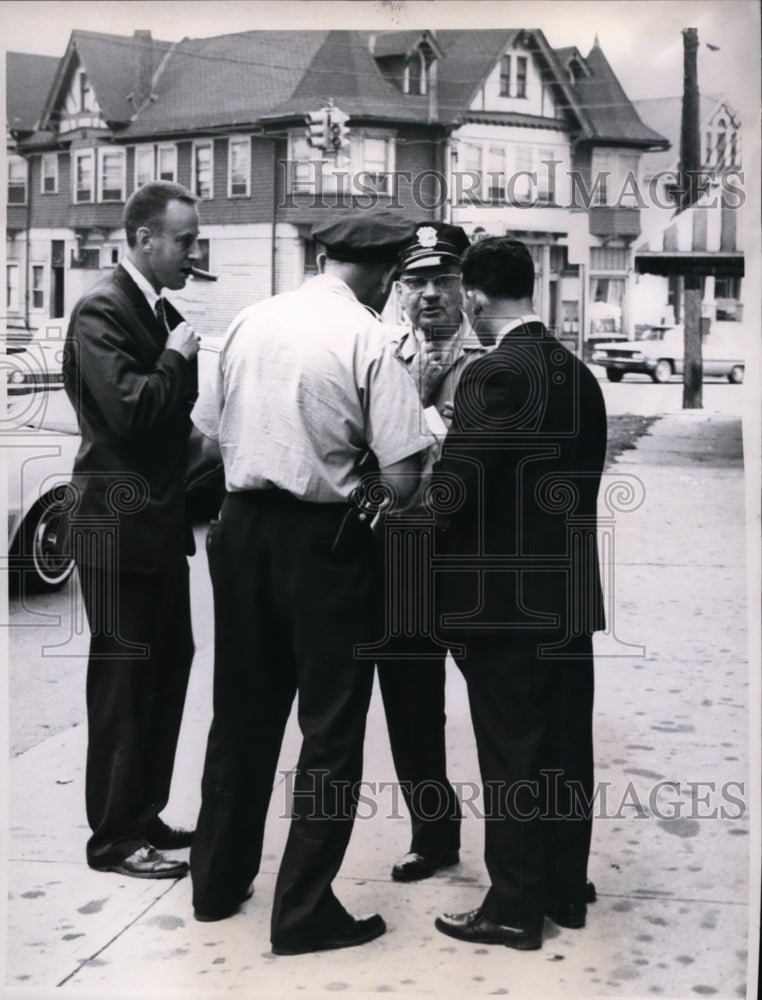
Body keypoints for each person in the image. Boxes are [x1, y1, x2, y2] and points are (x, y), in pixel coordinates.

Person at [189, 211, 434, 954]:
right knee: (330, 730)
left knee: (240, 714)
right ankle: (302, 912)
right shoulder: (371, 339)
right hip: (321, 539)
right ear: (390, 274)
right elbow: (402, 476)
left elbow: (204, 430)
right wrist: (355, 497)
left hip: (238, 528)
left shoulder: (250, 320)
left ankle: (216, 882)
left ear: (324, 256)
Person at [432, 236, 607, 950]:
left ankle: (511, 906)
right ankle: (564, 888)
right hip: (565, 596)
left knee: (512, 752)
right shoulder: (578, 374)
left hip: (504, 605)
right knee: (565, 746)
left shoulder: (494, 376)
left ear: (474, 296)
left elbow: (455, 494)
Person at [63, 181, 203, 879]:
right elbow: (134, 415)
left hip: (155, 529)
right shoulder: (102, 310)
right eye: (184, 240)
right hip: (116, 531)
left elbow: (175, 428)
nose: (192, 252)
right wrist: (178, 356)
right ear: (146, 239)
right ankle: (114, 838)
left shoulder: (157, 311)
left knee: (167, 667)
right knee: (122, 681)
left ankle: (143, 810)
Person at [375, 222, 482, 882]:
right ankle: (433, 834)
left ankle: (537, 853)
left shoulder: (493, 360)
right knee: (411, 705)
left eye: (443, 279)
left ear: (467, 287)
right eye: (415, 281)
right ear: (398, 291)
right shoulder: (385, 359)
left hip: (472, 560)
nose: (430, 294)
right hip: (405, 559)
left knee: (506, 710)